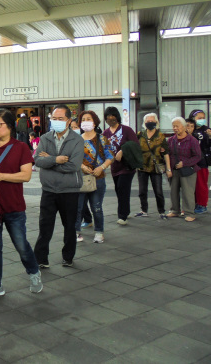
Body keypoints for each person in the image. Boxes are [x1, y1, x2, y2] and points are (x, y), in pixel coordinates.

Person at [0, 109, 43, 301]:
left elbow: (26, 175)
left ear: (10, 127)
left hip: (14, 207)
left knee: (21, 245)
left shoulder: (20, 147)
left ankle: (34, 273)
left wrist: (1, 176)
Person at [33, 105, 84, 268]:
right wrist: (56, 159)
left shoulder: (77, 140)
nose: (56, 122)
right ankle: (41, 258)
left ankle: (68, 257)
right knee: (45, 226)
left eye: (60, 119)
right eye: (53, 119)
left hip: (69, 190)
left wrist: (49, 160)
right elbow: (38, 160)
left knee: (69, 226)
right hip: (48, 189)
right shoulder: (45, 138)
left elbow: (74, 166)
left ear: (69, 121)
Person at [74, 111, 114, 243]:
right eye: (83, 119)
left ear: (95, 122)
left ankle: (99, 232)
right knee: (78, 208)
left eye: (88, 119)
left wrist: (101, 167)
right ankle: (77, 232)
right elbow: (73, 158)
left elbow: (110, 157)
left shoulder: (102, 139)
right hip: (80, 178)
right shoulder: (77, 140)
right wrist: (82, 166)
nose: (85, 121)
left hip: (98, 178)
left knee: (96, 207)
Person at [102, 106, 139, 225]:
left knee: (123, 188)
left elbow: (135, 144)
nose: (110, 120)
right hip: (114, 166)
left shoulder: (126, 130)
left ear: (117, 118)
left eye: (113, 118)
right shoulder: (105, 133)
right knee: (119, 190)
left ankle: (122, 216)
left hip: (127, 166)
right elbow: (102, 148)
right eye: (108, 118)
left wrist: (123, 150)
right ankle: (126, 210)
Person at [135, 113, 171, 219]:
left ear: (156, 122)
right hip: (142, 167)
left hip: (156, 167)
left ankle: (161, 211)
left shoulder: (160, 136)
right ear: (144, 123)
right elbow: (135, 149)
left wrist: (168, 169)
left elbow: (166, 153)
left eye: (152, 121)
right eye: (147, 121)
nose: (150, 123)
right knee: (142, 191)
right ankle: (144, 210)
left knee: (158, 191)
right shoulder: (140, 134)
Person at [167, 117, 201, 222]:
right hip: (174, 170)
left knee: (188, 192)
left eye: (177, 126)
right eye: (173, 126)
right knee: (173, 191)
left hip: (188, 170)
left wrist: (184, 163)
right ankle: (175, 210)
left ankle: (189, 213)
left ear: (184, 127)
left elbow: (197, 156)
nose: (175, 128)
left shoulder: (192, 140)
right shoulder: (171, 140)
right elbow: (168, 154)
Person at [189, 109, 211, 215]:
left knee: (201, 184)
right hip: (189, 161)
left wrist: (210, 137)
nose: (202, 120)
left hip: (202, 162)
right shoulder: (189, 129)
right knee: (191, 185)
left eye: (203, 118)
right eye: (199, 118)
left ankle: (202, 204)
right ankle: (193, 203)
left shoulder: (206, 130)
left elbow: (208, 145)